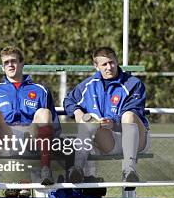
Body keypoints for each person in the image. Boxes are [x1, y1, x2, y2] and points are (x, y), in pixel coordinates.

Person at [63, 46, 149, 183]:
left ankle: (129, 171)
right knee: (87, 121)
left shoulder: (134, 83)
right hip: (109, 140)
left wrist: (114, 123)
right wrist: (77, 112)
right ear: (96, 66)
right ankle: (77, 169)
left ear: (117, 61)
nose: (109, 67)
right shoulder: (88, 85)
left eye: (112, 62)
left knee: (128, 116)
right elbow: (69, 100)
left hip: (137, 139)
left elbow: (135, 111)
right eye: (104, 64)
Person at [0, 46, 60, 186]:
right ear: (2, 67)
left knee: (44, 112)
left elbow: (54, 122)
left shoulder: (40, 90)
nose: (10, 65)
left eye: (13, 61)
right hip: (5, 140)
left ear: (22, 63)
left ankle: (45, 169)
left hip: (31, 139)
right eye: (6, 62)